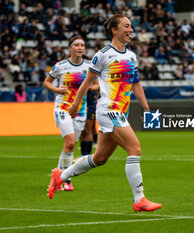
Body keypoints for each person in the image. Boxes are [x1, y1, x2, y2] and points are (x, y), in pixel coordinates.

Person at [47, 14, 162, 212]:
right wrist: (75, 105)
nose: (131, 30)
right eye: (127, 26)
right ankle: (139, 200)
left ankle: (61, 175)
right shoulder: (103, 55)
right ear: (115, 30)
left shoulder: (131, 56)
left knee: (99, 158)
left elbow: (136, 83)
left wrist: (146, 108)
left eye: (131, 26)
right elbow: (87, 82)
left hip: (120, 112)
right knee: (134, 148)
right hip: (108, 110)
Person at [44, 36, 98, 191]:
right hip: (63, 108)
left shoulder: (89, 66)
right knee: (69, 142)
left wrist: (89, 87)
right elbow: (47, 81)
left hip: (80, 110)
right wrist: (56, 89)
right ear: (70, 48)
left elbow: (97, 84)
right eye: (76, 45)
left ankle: (58, 175)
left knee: (71, 145)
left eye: (82, 45)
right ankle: (66, 180)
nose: (80, 47)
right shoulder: (61, 66)